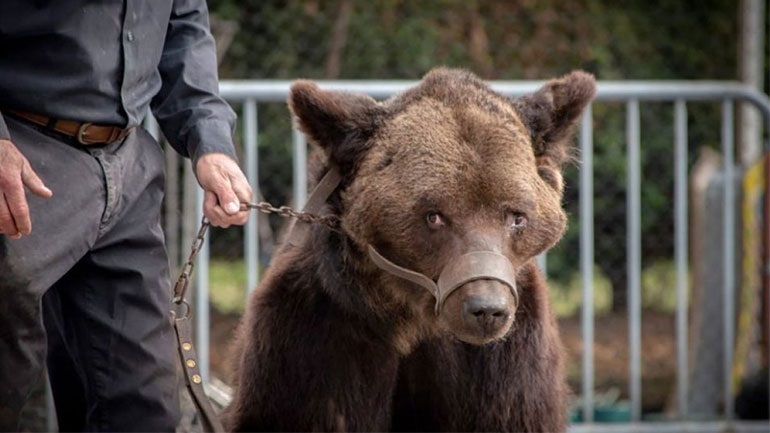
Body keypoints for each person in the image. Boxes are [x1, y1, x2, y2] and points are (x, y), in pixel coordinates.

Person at [0, 1, 253, 431]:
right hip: (19, 156)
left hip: (129, 168)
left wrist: (209, 140)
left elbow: (183, 26)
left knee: (144, 409)